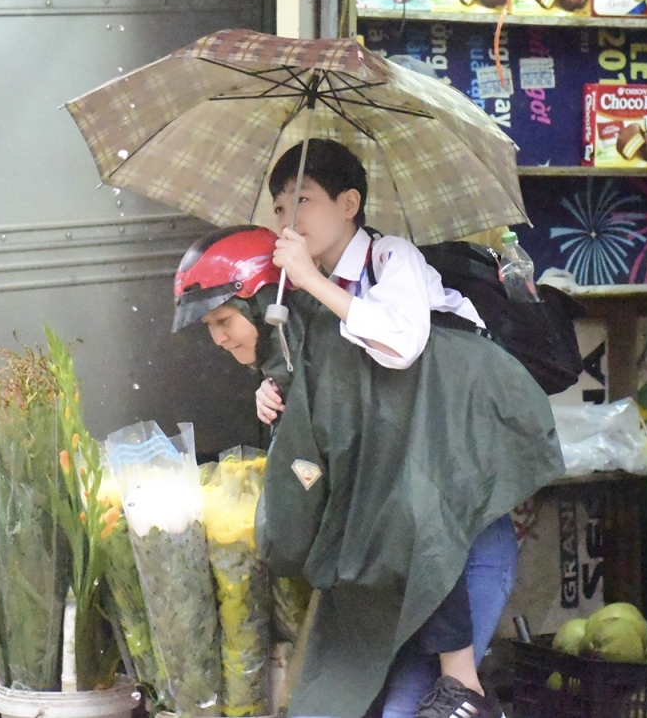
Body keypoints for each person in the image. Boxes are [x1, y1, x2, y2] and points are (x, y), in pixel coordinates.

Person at [172, 225, 565, 718]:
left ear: (264, 303)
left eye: (224, 319)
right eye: (208, 325)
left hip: (458, 560)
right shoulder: (301, 363)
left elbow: (417, 505)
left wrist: (458, 675)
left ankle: (466, 687)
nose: (217, 338)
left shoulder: (352, 343)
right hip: (399, 577)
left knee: (411, 709)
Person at [260, 139, 495, 718]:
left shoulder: (391, 258)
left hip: (456, 430)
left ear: (349, 204)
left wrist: (311, 284)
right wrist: (273, 394)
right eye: (281, 206)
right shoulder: (308, 283)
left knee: (412, 507)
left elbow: (399, 345)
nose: (290, 219)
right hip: (394, 439)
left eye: (305, 200)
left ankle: (463, 684)